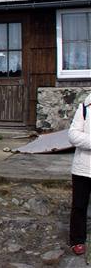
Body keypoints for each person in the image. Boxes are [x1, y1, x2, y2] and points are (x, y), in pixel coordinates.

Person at [69, 92, 91, 255]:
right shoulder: (85, 107)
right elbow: (73, 135)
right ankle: (77, 240)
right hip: (83, 167)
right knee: (79, 206)